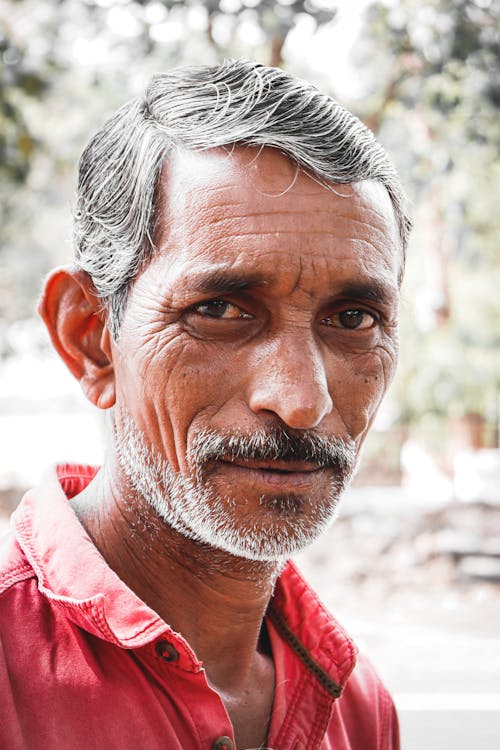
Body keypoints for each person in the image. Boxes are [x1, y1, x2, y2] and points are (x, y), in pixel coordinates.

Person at [0, 60, 411, 750]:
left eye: (353, 320)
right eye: (220, 310)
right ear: (90, 340)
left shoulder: (360, 708)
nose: (301, 401)